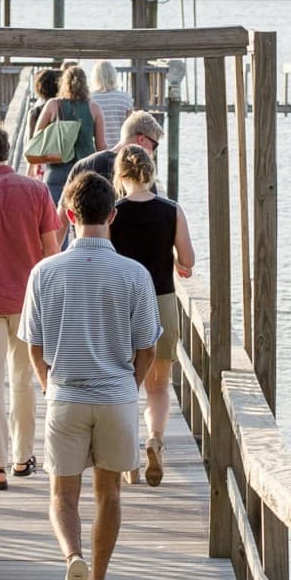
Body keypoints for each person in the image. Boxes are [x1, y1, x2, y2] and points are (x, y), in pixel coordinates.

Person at [19, 168, 159, 580]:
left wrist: (47, 383)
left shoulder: (44, 273)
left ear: (68, 213)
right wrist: (128, 388)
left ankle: (71, 559)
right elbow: (148, 347)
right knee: (109, 494)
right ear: (112, 215)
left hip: (66, 395)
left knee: (63, 496)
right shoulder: (134, 274)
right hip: (117, 395)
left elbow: (34, 344)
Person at [0, 118, 60, 489]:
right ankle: (23, 458)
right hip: (28, 302)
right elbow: (52, 251)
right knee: (23, 381)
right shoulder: (36, 190)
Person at [109, 143, 195, 487]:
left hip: (123, 305)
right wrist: (172, 260)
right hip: (161, 302)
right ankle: (155, 441)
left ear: (120, 175)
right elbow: (188, 260)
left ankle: (128, 458)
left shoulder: (113, 212)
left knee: (125, 384)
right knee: (158, 386)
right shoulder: (171, 210)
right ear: (150, 172)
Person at [28, 62, 105, 205]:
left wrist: (34, 165)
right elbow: (101, 146)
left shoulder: (53, 105)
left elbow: (36, 136)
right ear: (85, 84)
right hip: (85, 169)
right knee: (81, 216)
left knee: (55, 220)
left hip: (56, 168)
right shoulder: (94, 109)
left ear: (63, 83)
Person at [65, 107, 162, 193]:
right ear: (142, 139)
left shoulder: (83, 165)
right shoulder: (142, 173)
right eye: (154, 146)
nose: (153, 153)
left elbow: (62, 212)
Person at [24, 67, 62, 178]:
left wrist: (29, 172)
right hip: (62, 160)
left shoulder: (35, 112)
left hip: (41, 163)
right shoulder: (65, 110)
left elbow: (31, 143)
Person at [89, 61, 131, 148]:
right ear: (114, 76)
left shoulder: (90, 99)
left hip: (97, 153)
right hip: (120, 150)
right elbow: (131, 129)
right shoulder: (125, 98)